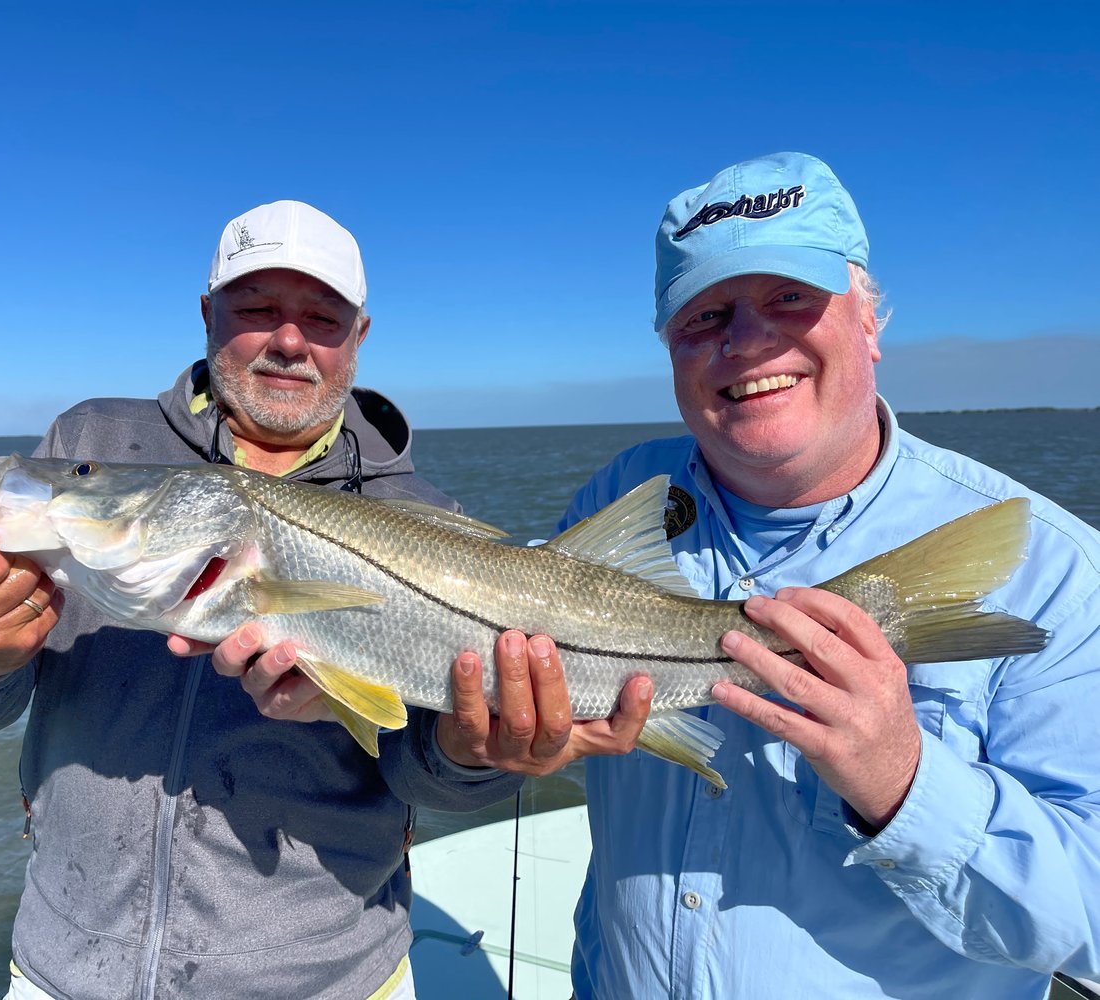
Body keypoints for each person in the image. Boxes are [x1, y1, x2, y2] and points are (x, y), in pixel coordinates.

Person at [465, 153, 1100, 998]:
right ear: (669, 347)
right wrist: (501, 737)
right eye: (705, 315)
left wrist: (904, 783)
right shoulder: (621, 494)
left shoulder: (1050, 566)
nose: (747, 340)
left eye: (790, 299)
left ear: (869, 322)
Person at [0, 200, 531, 1000]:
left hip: (331, 978)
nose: (290, 340)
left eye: (322, 318)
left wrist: (481, 753)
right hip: (65, 968)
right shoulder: (92, 442)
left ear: (358, 338)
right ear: (207, 314)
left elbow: (429, 779)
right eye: (257, 308)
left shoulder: (427, 519)